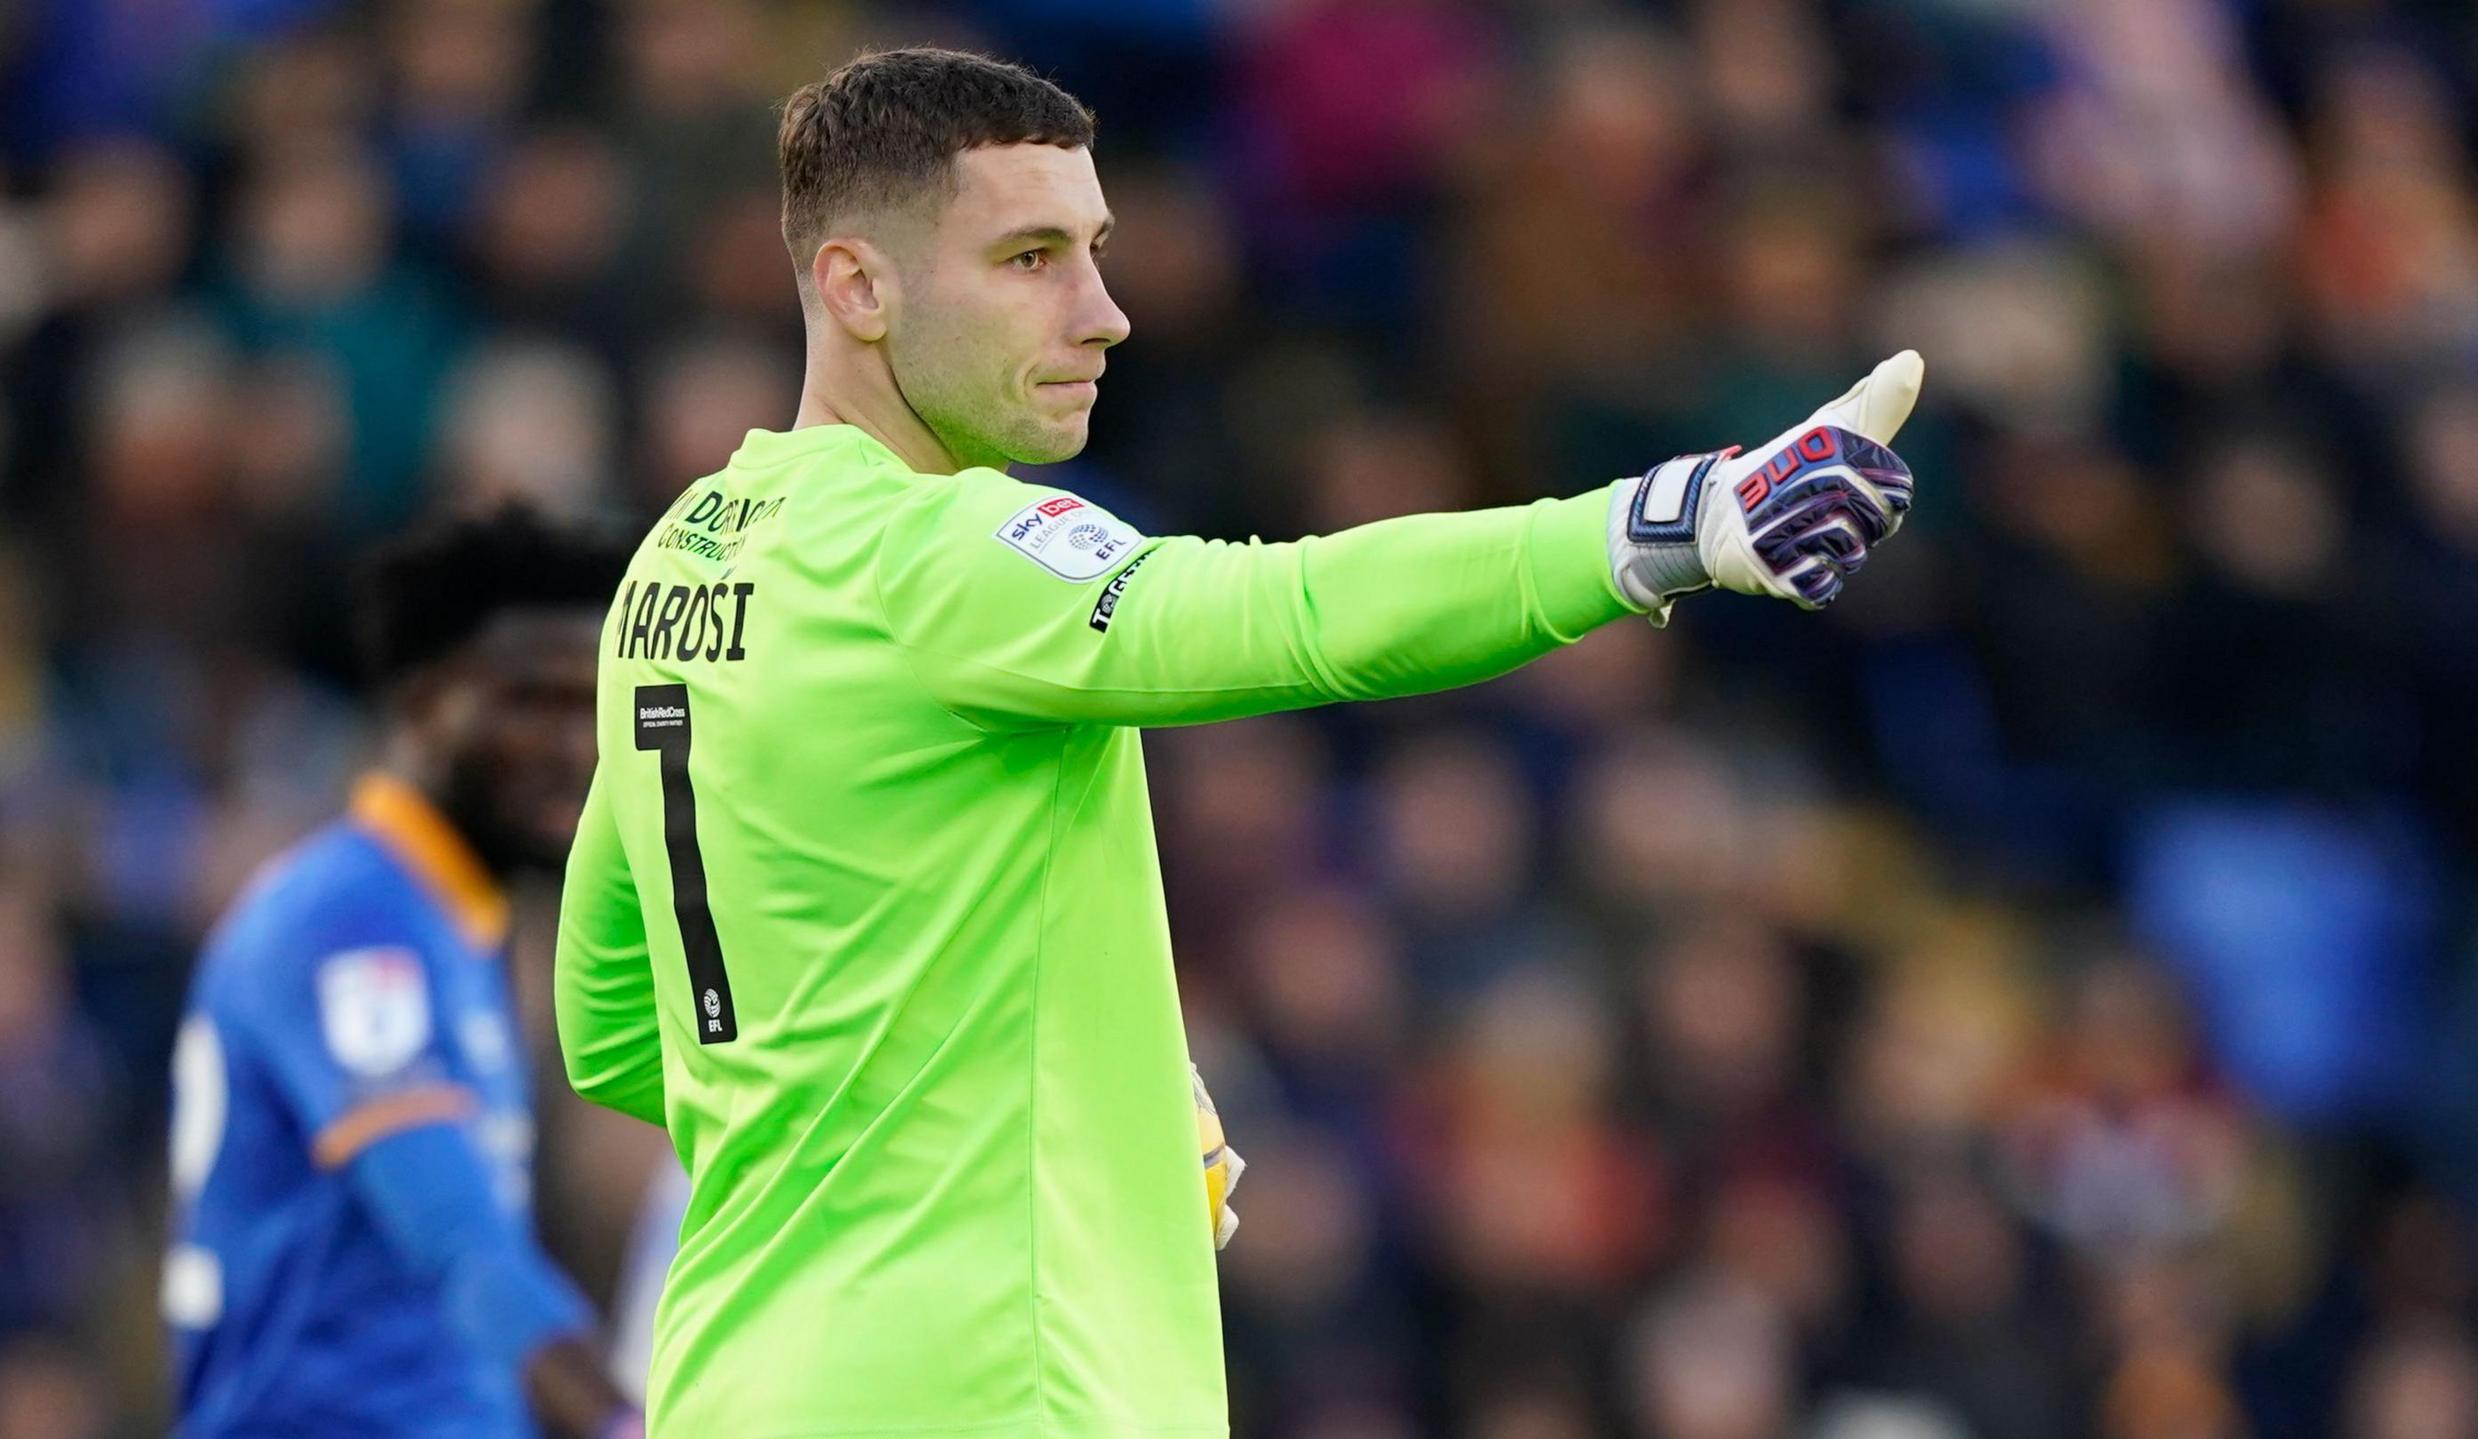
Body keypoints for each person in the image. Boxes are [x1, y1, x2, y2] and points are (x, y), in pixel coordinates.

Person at [553, 45, 1920, 1438]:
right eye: (1029, 258)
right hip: (990, 1391)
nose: (1104, 313)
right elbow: (1289, 610)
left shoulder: (675, 568)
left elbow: (609, 1022)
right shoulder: (935, 548)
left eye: (1094, 250)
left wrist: (1020, 1091)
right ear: (858, 286)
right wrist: (1670, 523)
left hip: (740, 1381)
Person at [165, 507, 641, 1439]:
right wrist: (622, 1422)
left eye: (595, 708)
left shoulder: (454, 924)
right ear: (422, 705)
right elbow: (459, 1242)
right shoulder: (353, 922)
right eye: (532, 701)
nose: (578, 747)